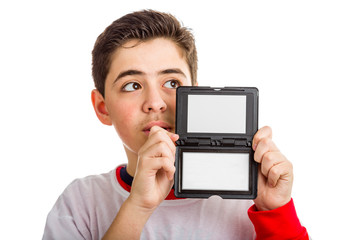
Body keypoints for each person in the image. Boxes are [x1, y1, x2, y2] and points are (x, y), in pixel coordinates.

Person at [43, 9, 309, 240]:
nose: (155, 103)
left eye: (171, 83)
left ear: (196, 95)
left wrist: (277, 212)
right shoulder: (80, 203)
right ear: (103, 108)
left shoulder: (247, 202)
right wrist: (138, 206)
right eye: (132, 85)